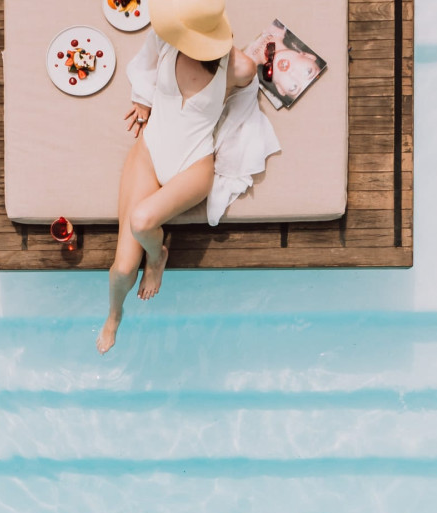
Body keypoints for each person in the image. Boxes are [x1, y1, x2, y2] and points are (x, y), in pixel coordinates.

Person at [96, 0, 278, 355]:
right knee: (122, 269)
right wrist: (143, 99)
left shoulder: (239, 67)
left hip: (193, 165)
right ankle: (115, 315)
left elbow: (244, 101)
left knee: (142, 220)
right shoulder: (167, 37)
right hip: (149, 154)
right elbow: (146, 65)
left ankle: (157, 256)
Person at [247, 20, 326, 106]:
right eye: (308, 72)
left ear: (280, 89)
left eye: (293, 87)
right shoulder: (287, 21)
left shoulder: (240, 66)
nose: (292, 74)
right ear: (309, 57)